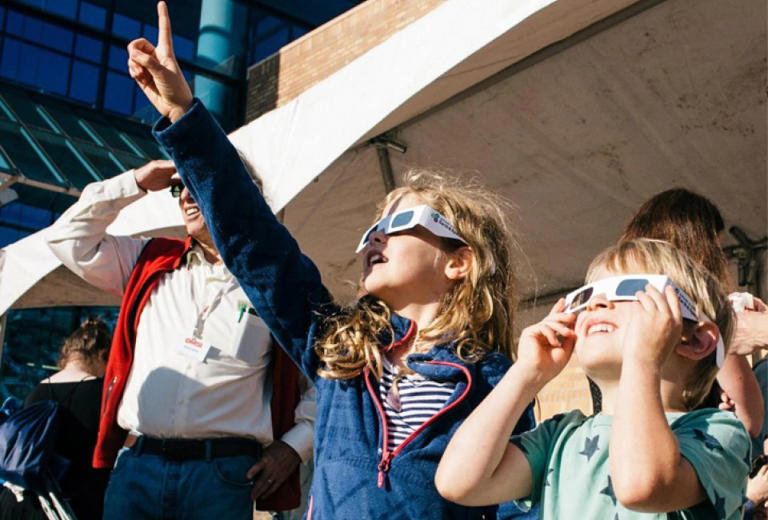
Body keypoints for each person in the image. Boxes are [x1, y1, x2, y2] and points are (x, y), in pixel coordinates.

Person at [125, 3, 535, 517]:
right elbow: (254, 242)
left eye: (395, 225)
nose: (372, 240)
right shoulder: (340, 347)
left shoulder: (496, 378)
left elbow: (513, 505)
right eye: (371, 229)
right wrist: (185, 115)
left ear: (458, 262)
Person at [45, 160, 316, 519]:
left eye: (198, 182)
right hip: (138, 467)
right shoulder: (148, 259)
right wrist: (135, 182)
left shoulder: (280, 281)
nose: (186, 195)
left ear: (244, 194)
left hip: (222, 476)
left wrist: (295, 447)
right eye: (180, 186)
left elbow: (327, 378)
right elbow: (65, 238)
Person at [436, 239, 751, 519]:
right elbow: (458, 482)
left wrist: (641, 359)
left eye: (630, 289)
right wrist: (526, 375)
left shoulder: (718, 431)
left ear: (695, 340)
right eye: (586, 297)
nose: (597, 303)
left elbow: (640, 486)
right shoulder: (559, 437)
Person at [619, 188, 764, 438]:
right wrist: (730, 328)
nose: (719, 258)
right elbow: (749, 421)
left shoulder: (613, 307)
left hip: (614, 445)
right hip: (684, 454)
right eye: (714, 248)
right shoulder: (697, 316)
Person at [0, 318, 112, 520]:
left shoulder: (36, 391)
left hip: (20, 503)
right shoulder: (101, 395)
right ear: (103, 355)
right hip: (69, 507)